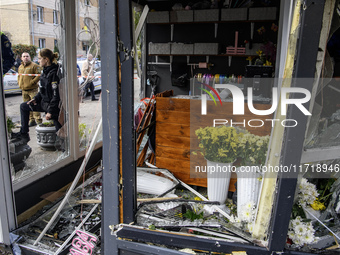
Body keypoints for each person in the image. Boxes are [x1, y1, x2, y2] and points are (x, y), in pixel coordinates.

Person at [12, 48, 61, 143]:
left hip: (53, 107)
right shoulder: (44, 72)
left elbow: (56, 95)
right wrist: (35, 99)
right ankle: (24, 134)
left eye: (39, 58)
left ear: (46, 59)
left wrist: (50, 112)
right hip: (44, 103)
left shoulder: (54, 73)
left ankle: (64, 146)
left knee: (60, 130)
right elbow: (42, 90)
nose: (38, 61)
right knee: (24, 106)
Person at [17, 52, 42, 127]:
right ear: (21, 58)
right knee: (27, 105)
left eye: (27, 56)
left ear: (30, 57)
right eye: (24, 56)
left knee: (34, 104)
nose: (25, 58)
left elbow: (38, 75)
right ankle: (31, 120)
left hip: (32, 89)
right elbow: (19, 76)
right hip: (24, 89)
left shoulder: (34, 66)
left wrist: (32, 82)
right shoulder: (20, 67)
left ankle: (38, 120)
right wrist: (19, 84)